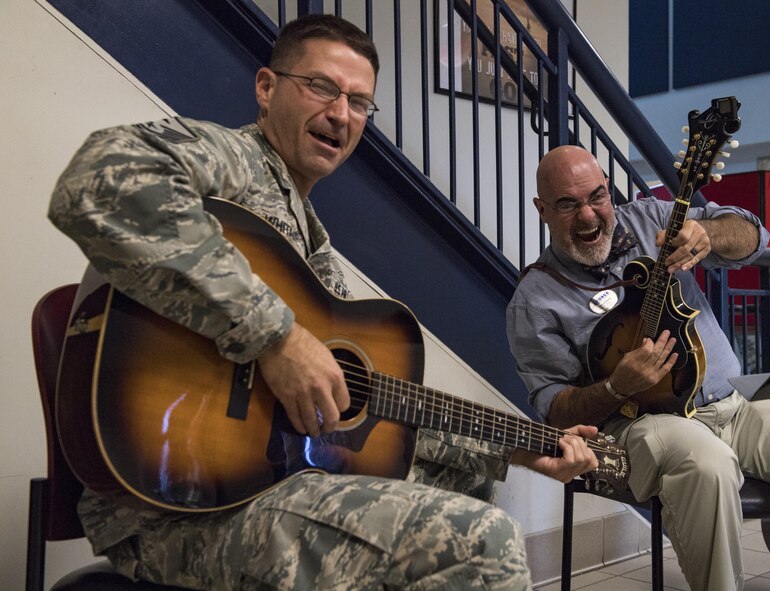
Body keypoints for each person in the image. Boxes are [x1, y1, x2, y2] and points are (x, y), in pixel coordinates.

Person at [48, 15, 600, 591]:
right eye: (321, 87)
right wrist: (277, 338)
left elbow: (362, 409)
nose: (341, 113)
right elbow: (100, 180)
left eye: (360, 102)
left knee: (465, 482)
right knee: (483, 541)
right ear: (266, 87)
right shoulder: (233, 161)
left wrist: (521, 447)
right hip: (179, 507)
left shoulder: (314, 253)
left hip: (265, 484)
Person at [506, 145, 770, 591]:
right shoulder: (534, 300)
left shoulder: (651, 219)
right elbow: (555, 412)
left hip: (734, 406)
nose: (588, 216)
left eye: (597, 196)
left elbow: (754, 238)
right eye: (568, 204)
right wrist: (614, 388)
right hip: (642, 424)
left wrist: (709, 232)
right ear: (542, 209)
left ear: (609, 191)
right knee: (710, 465)